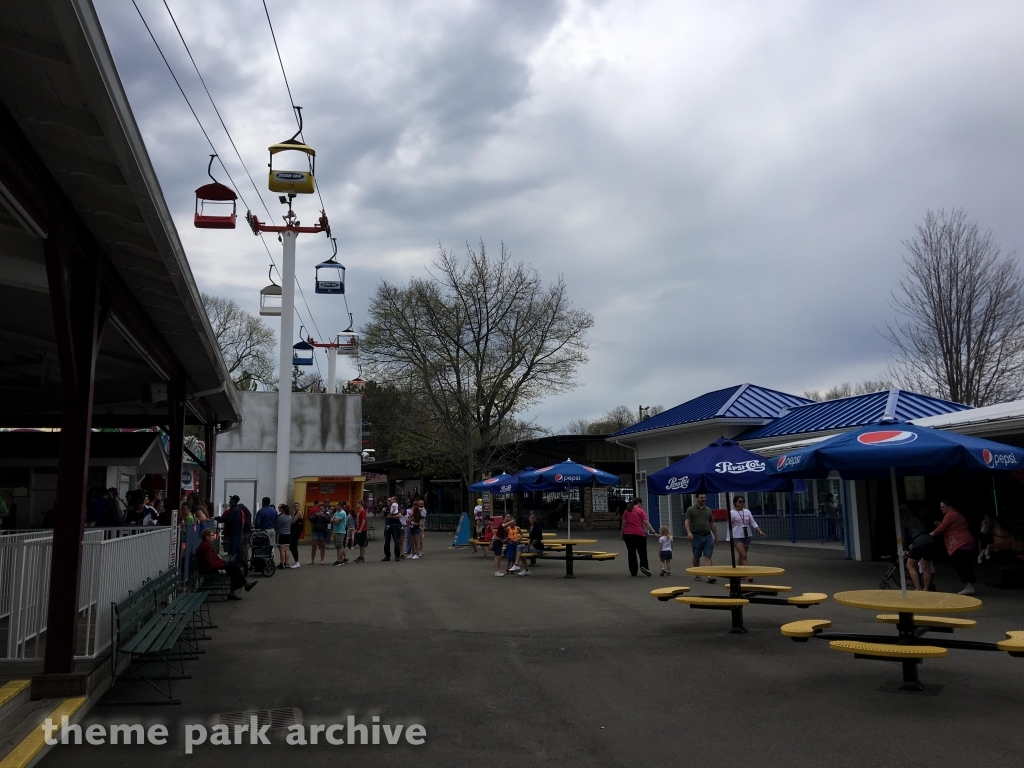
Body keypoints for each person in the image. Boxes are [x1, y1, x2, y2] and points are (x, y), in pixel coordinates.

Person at [930, 499, 977, 595]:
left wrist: (931, 534)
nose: (941, 509)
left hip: (960, 543)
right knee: (965, 565)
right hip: (966, 542)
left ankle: (968, 587)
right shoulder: (956, 514)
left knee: (961, 565)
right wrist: (941, 525)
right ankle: (969, 586)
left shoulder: (951, 515)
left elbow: (942, 528)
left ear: (950, 506)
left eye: (943, 507)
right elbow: (949, 526)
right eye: (940, 507)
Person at [196, 528, 256, 600]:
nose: (213, 537)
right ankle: (241, 587)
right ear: (207, 537)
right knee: (234, 568)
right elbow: (209, 562)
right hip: (211, 569)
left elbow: (211, 559)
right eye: (212, 535)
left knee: (234, 568)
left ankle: (240, 588)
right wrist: (218, 570)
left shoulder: (206, 545)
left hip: (213, 567)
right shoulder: (205, 547)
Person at [900, 505, 935, 591]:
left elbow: (904, 538)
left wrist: (906, 550)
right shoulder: (917, 520)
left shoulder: (904, 523)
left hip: (919, 542)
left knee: (910, 565)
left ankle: (918, 588)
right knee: (926, 567)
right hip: (930, 540)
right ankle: (926, 589)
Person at [685, 493, 718, 582]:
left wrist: (716, 536)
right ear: (696, 498)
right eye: (701, 497)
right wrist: (689, 533)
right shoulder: (691, 509)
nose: (703, 499)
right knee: (696, 556)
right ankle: (697, 573)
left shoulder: (708, 510)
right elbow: (687, 521)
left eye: (704, 497)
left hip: (707, 536)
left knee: (708, 556)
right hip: (696, 536)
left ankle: (709, 576)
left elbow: (712, 524)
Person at [728, 495, 765, 573]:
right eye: (740, 501)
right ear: (735, 503)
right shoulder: (732, 513)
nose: (742, 503)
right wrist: (729, 537)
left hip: (747, 535)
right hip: (736, 536)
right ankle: (749, 573)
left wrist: (759, 531)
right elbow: (729, 526)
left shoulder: (747, 511)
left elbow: (752, 522)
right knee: (744, 555)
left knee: (742, 555)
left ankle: (739, 572)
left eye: (743, 501)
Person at [621, 498, 657, 577]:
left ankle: (633, 571)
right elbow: (646, 523)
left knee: (631, 552)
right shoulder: (641, 511)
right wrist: (654, 532)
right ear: (638, 503)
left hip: (628, 534)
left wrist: (622, 533)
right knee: (642, 552)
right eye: (641, 504)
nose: (641, 505)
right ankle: (644, 566)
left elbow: (623, 523)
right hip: (639, 534)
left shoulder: (627, 511)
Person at [383, 496, 402, 561]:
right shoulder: (386, 509)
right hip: (387, 527)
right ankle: (387, 556)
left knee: (396, 541)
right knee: (386, 542)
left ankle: (397, 556)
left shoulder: (396, 507)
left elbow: (399, 515)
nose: (389, 501)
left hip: (395, 526)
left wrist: (391, 517)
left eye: (390, 500)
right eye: (388, 500)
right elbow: (381, 517)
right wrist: (382, 512)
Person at [275, 503, 293, 568]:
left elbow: (278, 526)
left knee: (282, 550)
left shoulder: (281, 517)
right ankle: (287, 563)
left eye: (280, 508)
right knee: (287, 549)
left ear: (283, 509)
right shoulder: (290, 516)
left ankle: (282, 563)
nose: (279, 509)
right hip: (288, 533)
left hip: (281, 533)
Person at [289, 502, 304, 568]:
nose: (296, 507)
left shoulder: (299, 513)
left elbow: (293, 521)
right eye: (295, 506)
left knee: (293, 546)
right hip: (294, 531)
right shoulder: (295, 513)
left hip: (296, 531)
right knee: (292, 546)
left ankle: (297, 562)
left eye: (297, 506)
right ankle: (296, 561)